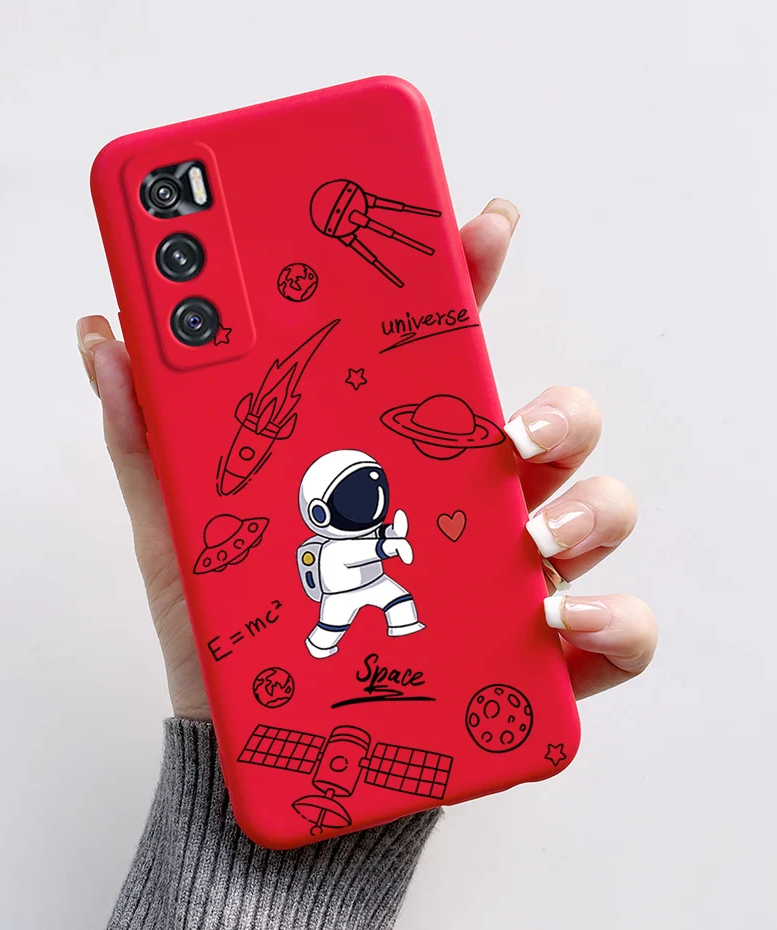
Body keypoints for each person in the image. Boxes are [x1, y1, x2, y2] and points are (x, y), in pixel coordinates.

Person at [75, 198, 658, 930]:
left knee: (389, 601)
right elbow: (337, 556)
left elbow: (380, 540)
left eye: (370, 491)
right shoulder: (326, 540)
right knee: (335, 621)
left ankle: (376, 624)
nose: (369, 502)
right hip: (337, 606)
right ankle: (338, 636)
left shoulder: (363, 521)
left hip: (369, 598)